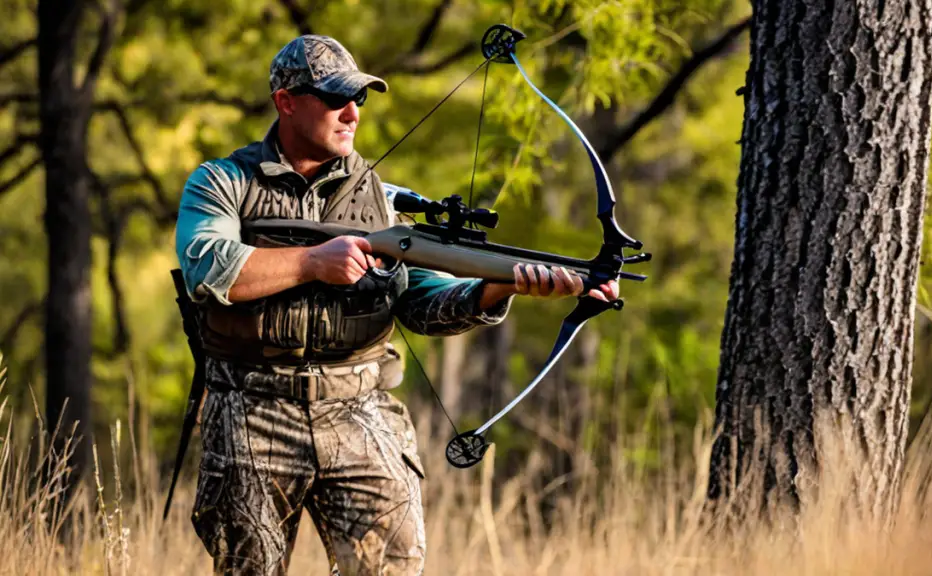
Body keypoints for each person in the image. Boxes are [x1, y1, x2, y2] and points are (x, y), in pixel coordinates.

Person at [174, 34, 618, 575]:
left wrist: (501, 288)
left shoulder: (383, 200)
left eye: (359, 98)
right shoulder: (223, 182)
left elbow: (424, 305)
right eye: (336, 98)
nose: (353, 113)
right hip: (250, 410)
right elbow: (208, 267)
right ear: (286, 102)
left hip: (361, 410)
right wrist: (315, 261)